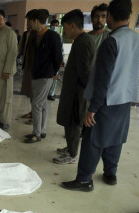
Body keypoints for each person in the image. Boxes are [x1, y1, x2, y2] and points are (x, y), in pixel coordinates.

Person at [62, 0, 139, 191]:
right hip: (125, 99)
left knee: (92, 140)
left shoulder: (111, 42)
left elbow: (103, 79)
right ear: (130, 16)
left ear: (110, 17)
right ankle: (110, 173)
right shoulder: (137, 38)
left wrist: (92, 108)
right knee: (115, 138)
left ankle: (84, 180)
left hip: (107, 100)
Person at [53, 9, 96, 164]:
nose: (64, 31)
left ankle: (72, 155)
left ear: (72, 26)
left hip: (77, 93)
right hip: (74, 90)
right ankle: (70, 148)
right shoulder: (81, 40)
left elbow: (85, 72)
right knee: (69, 122)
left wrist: (83, 94)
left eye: (64, 27)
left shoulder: (83, 42)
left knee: (73, 123)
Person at [24, 9, 63, 143]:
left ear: (35, 21)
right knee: (43, 103)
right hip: (35, 73)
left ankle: (36, 134)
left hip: (46, 75)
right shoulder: (35, 35)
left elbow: (58, 58)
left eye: (29, 21)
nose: (28, 24)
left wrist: (54, 73)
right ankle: (42, 130)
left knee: (36, 104)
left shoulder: (53, 36)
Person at [18, 9, 38, 121]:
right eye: (27, 22)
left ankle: (36, 115)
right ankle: (32, 112)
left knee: (36, 94)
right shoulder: (26, 34)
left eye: (29, 22)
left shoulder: (39, 35)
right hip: (27, 66)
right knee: (30, 92)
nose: (28, 24)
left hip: (36, 69)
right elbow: (19, 49)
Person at [47, 19, 63, 101]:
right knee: (47, 76)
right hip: (48, 60)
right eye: (54, 26)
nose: (55, 27)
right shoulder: (47, 35)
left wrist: (61, 59)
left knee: (55, 77)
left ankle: (51, 93)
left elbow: (61, 49)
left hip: (56, 60)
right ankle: (45, 92)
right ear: (50, 26)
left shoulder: (59, 36)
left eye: (57, 26)